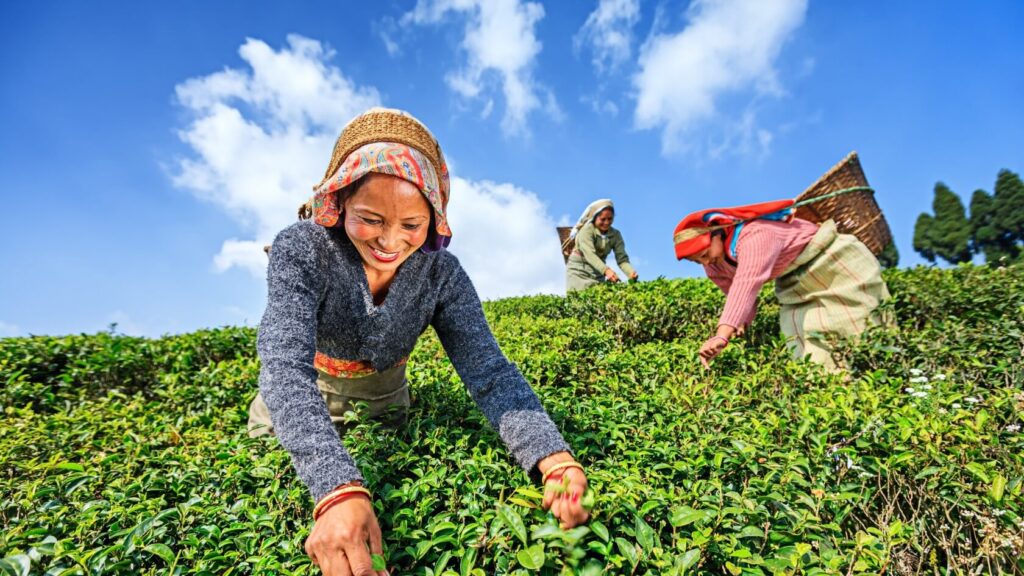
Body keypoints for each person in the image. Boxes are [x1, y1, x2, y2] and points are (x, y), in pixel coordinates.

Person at [249, 108, 590, 576]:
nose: (390, 241)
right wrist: (336, 490)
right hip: (294, 411)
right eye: (370, 217)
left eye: (412, 224)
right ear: (341, 199)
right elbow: (284, 365)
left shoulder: (441, 275)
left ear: (435, 218)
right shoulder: (302, 248)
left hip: (386, 408)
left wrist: (552, 458)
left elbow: (488, 371)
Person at [672, 199, 891, 371]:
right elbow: (737, 298)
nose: (705, 262)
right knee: (806, 347)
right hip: (795, 284)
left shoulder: (756, 235)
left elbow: (746, 283)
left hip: (833, 264)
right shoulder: (714, 267)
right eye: (696, 261)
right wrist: (740, 323)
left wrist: (722, 334)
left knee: (863, 325)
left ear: (717, 233)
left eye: (704, 254)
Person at [565, 199, 638, 292]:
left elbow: (622, 259)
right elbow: (589, 254)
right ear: (595, 218)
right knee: (578, 301)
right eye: (603, 219)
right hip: (579, 270)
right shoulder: (587, 230)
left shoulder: (615, 234)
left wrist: (630, 272)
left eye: (610, 219)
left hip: (598, 272)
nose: (606, 222)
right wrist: (606, 271)